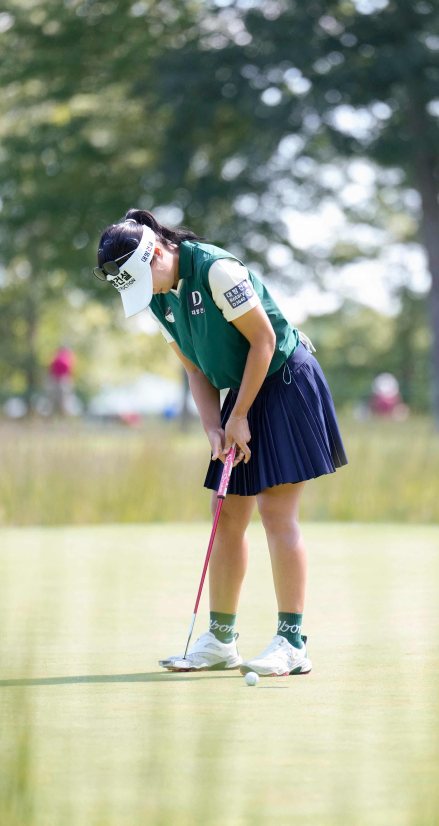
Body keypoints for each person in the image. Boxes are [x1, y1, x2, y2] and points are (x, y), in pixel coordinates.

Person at [94, 209, 347, 676]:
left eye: (140, 279)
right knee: (226, 511)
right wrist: (214, 426)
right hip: (243, 391)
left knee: (275, 511)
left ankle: (292, 642)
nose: (141, 292)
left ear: (158, 254)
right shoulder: (157, 296)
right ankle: (221, 639)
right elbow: (194, 368)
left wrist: (241, 416)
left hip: (285, 380)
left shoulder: (215, 269)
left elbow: (264, 341)